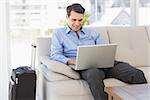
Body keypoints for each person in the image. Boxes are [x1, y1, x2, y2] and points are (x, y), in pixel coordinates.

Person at [50, 3, 147, 100]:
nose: (77, 23)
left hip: (105, 65)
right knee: (94, 75)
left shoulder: (92, 33)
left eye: (80, 20)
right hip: (86, 67)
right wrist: (73, 61)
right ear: (67, 17)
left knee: (136, 73)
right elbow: (55, 54)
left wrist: (106, 57)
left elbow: (104, 48)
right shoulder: (59, 34)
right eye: (74, 20)